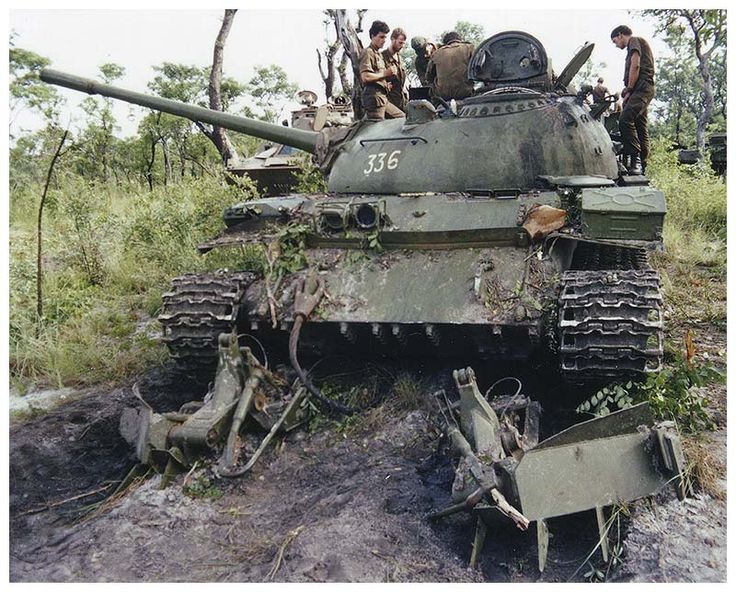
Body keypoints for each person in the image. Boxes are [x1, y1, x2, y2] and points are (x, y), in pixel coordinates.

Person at [611, 25, 655, 175]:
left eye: (615, 41)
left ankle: (635, 161)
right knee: (640, 127)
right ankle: (642, 165)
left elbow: (635, 66)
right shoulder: (634, 44)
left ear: (621, 34)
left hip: (641, 89)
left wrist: (629, 90)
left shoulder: (634, 41)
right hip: (640, 89)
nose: (616, 45)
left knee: (625, 120)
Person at [359, 20, 404, 120]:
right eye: (381, 37)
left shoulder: (378, 54)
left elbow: (376, 76)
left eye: (385, 37)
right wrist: (386, 73)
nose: (383, 40)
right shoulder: (368, 52)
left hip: (382, 98)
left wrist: (384, 84)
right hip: (374, 99)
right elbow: (365, 77)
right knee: (376, 130)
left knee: (402, 119)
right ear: (372, 36)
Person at [426, 31, 474, 101]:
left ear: (445, 43)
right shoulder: (469, 48)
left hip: (442, 97)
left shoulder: (437, 53)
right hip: (466, 94)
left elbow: (429, 77)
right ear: (460, 40)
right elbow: (480, 70)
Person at [382, 27, 408, 112]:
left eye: (404, 43)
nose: (402, 46)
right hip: (388, 103)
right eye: (400, 43)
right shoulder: (382, 57)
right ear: (393, 39)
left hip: (401, 103)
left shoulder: (400, 59)